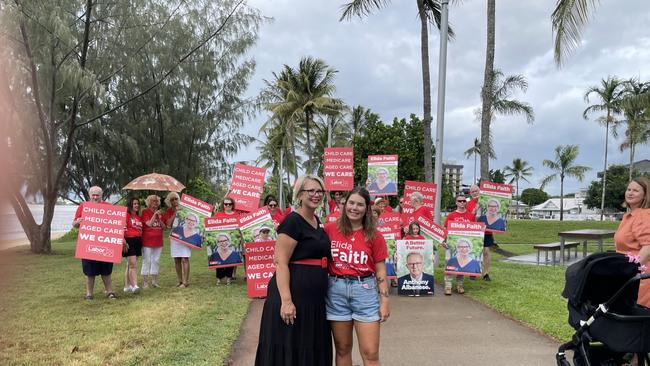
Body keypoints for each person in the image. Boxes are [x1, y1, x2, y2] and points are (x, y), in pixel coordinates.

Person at [255, 175, 332, 366]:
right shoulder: (292, 221)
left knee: (308, 347)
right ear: (299, 195)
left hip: (314, 301)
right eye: (310, 191)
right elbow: (280, 262)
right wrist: (286, 301)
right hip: (293, 297)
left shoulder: (317, 221)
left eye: (319, 191)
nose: (316, 195)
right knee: (290, 348)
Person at [323, 186, 389, 366]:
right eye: (351, 202)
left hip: (365, 292)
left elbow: (381, 270)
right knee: (343, 348)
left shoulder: (375, 236)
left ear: (366, 209)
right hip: (336, 292)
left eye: (359, 204)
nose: (354, 207)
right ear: (344, 205)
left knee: (370, 352)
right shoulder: (329, 230)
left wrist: (384, 302)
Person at [72, 186, 116, 300]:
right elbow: (74, 224)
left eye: (98, 195)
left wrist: (123, 242)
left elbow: (116, 225)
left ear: (102, 195)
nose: (95, 197)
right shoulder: (83, 206)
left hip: (105, 243)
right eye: (93, 195)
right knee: (89, 271)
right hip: (88, 243)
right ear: (89, 195)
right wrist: (78, 222)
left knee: (106, 270)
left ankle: (109, 292)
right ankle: (89, 294)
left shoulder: (109, 207)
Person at [614, 177, 650, 307]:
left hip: (639, 277)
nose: (630, 193)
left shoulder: (643, 215)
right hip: (628, 275)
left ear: (645, 195)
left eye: (635, 190)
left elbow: (648, 247)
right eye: (628, 189)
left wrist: (631, 270)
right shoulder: (629, 216)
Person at [442, 194, 476, 296]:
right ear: (456, 202)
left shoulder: (471, 216)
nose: (462, 203)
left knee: (461, 265)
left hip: (464, 247)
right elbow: (445, 229)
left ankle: (459, 285)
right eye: (459, 201)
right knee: (450, 264)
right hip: (452, 245)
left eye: (463, 201)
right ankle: (448, 286)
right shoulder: (451, 216)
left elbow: (475, 230)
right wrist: (443, 241)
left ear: (466, 202)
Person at [213, 197, 241, 283]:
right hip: (221, 240)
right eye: (226, 204)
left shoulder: (237, 215)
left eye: (230, 204)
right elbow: (213, 227)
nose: (228, 205)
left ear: (233, 205)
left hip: (232, 240)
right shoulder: (218, 215)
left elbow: (240, 228)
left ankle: (229, 277)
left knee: (230, 258)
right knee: (219, 258)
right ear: (223, 205)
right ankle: (219, 277)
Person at [476, 197, 505, 281]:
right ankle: (475, 271)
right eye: (490, 206)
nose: (492, 208)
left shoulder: (501, 221)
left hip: (488, 235)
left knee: (486, 253)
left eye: (495, 206)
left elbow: (501, 229)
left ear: (498, 207)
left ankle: (486, 273)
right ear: (487, 207)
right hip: (479, 235)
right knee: (477, 253)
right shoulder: (481, 218)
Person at [141, 194, 165, 288]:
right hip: (147, 240)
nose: (155, 203)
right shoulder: (145, 211)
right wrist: (155, 215)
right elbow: (149, 224)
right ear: (148, 202)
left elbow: (164, 227)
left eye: (156, 201)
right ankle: (145, 282)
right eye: (152, 201)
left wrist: (159, 218)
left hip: (158, 240)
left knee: (156, 260)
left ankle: (154, 281)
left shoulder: (159, 213)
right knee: (147, 260)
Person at [123, 197, 143, 294]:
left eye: (138, 203)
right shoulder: (126, 215)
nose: (137, 205)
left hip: (138, 240)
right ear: (130, 205)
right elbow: (122, 228)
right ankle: (134, 285)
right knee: (133, 265)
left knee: (130, 264)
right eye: (134, 203)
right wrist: (124, 241)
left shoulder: (138, 217)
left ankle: (127, 286)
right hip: (129, 240)